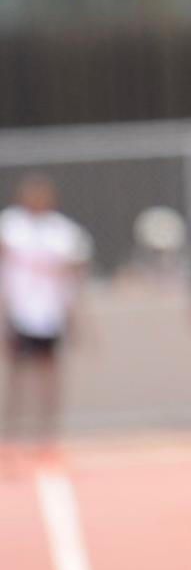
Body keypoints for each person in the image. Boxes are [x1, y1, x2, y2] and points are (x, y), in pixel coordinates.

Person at [0, 175, 92, 453]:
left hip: (50, 315)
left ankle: (47, 437)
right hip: (20, 313)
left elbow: (75, 273)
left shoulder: (62, 231)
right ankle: (11, 437)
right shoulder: (10, 226)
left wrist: (77, 318)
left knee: (50, 377)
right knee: (17, 378)